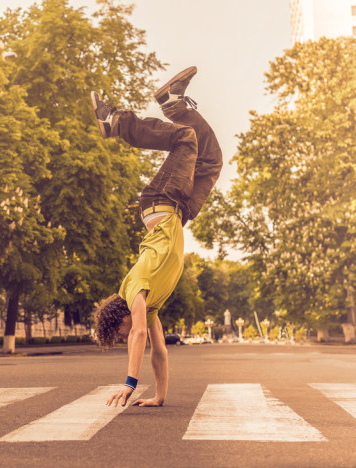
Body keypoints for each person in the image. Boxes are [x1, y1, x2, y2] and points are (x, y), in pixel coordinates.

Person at [89, 66, 222, 408]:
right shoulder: (149, 309)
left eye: (118, 332)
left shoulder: (134, 291)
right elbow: (159, 351)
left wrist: (130, 384)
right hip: (180, 210)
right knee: (210, 160)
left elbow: (135, 334)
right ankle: (173, 102)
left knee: (184, 138)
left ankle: (116, 122)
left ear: (118, 317)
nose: (128, 336)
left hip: (160, 200)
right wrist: (158, 397)